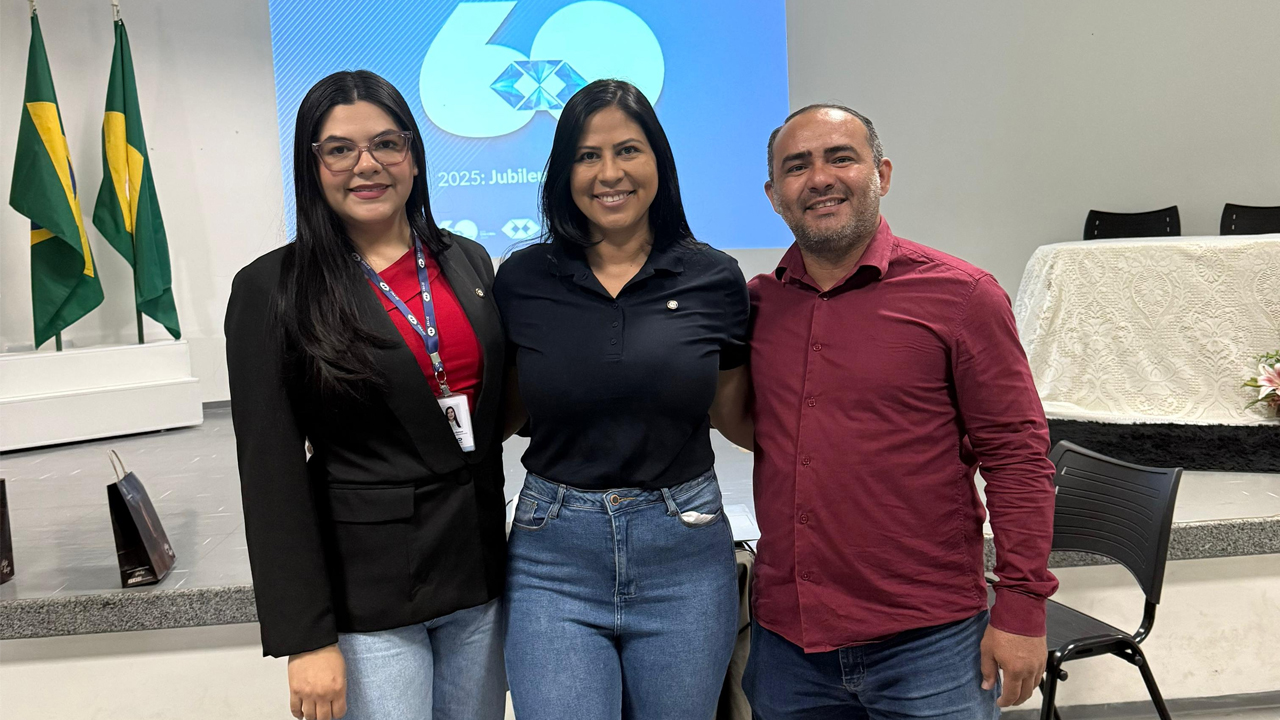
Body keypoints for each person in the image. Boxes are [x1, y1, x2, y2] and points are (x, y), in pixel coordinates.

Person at [739, 104, 1058, 718]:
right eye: (797, 166)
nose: (820, 178)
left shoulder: (962, 297)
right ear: (774, 196)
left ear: (881, 174)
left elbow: (1018, 460)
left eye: (841, 158)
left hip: (930, 646)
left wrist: (1022, 608)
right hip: (788, 648)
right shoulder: (757, 306)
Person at [225, 70, 507, 720]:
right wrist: (307, 638)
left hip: (478, 578)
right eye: (339, 149)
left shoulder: (467, 261)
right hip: (370, 600)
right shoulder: (273, 289)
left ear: (413, 154)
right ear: (312, 166)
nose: (367, 165)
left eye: (386, 143)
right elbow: (270, 478)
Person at [493, 79, 752, 720]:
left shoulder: (714, 277)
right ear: (564, 173)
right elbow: (507, 412)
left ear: (659, 161)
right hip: (553, 557)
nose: (609, 173)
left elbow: (736, 417)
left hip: (685, 553)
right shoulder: (522, 279)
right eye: (587, 155)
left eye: (628, 150)